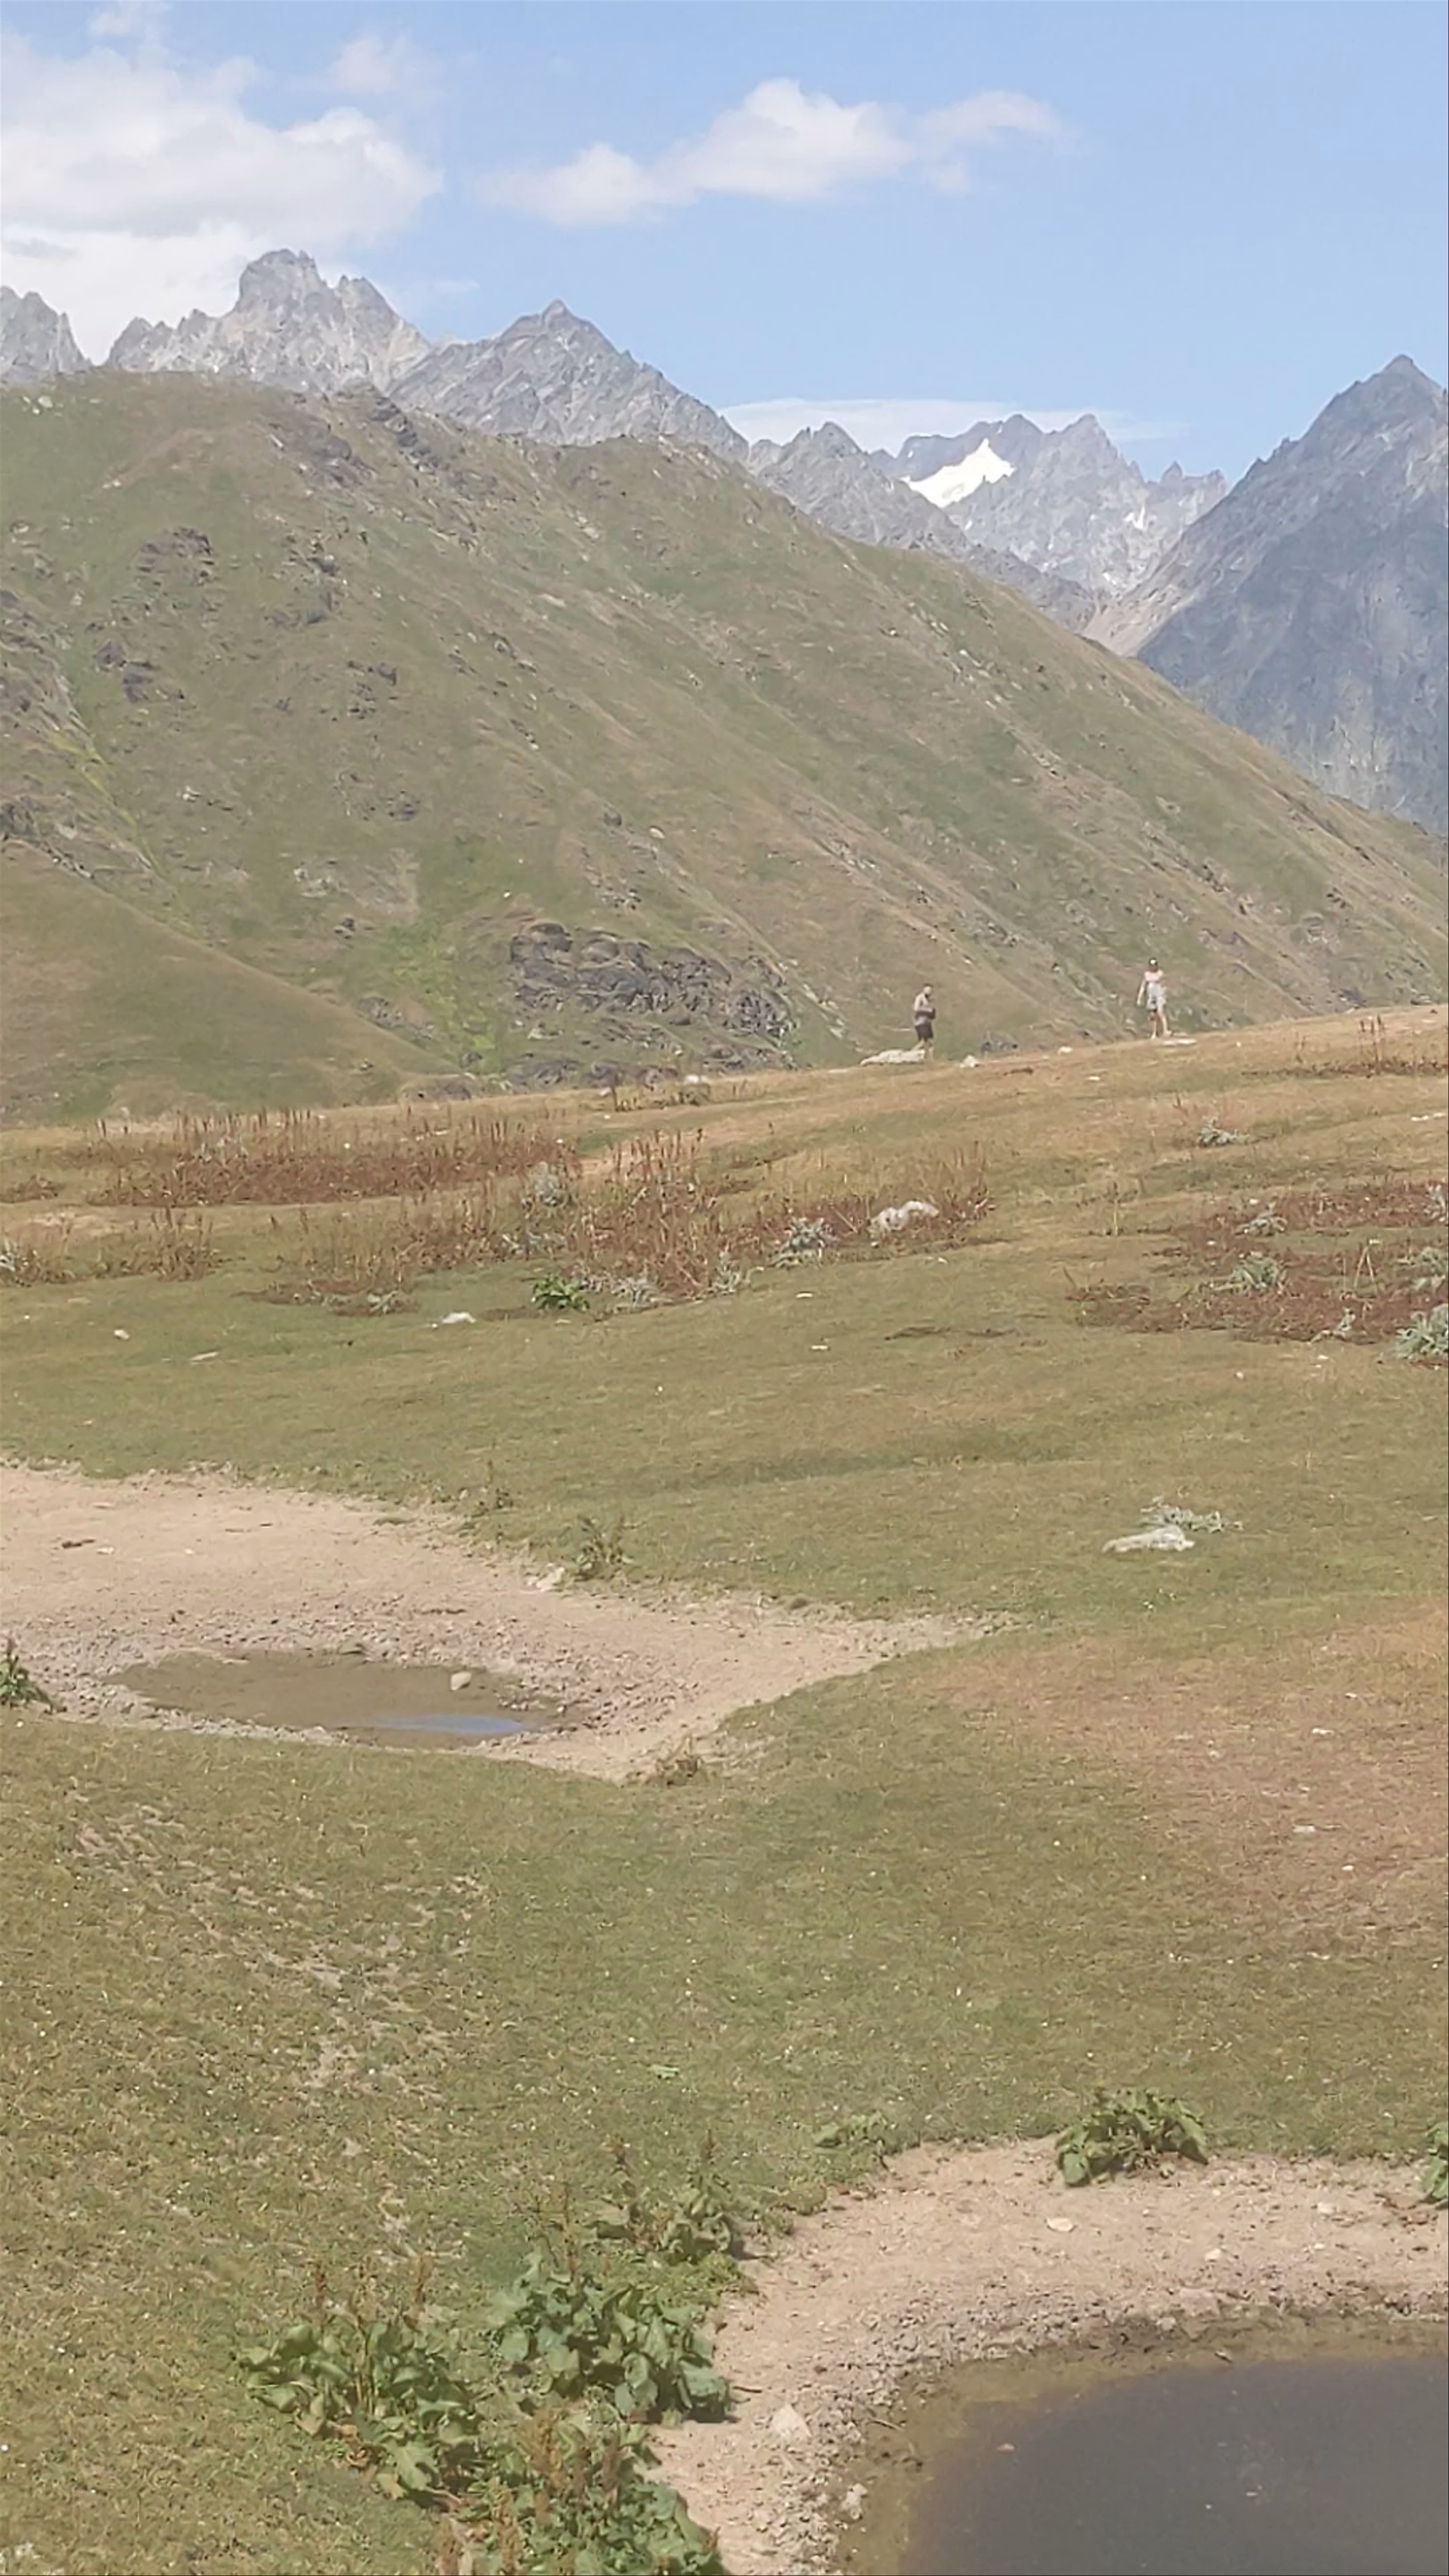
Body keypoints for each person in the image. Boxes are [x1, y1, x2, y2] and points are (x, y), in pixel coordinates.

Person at [1136, 959, 1170, 1039]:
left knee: (1160, 1013)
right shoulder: (1147, 975)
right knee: (1152, 1015)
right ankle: (1154, 1033)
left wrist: (1164, 994)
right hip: (1151, 996)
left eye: (1155, 965)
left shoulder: (1160, 974)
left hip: (1159, 995)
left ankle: (1165, 1031)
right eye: (1152, 966)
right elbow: (1143, 986)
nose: (1153, 967)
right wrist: (1140, 997)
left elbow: (1164, 984)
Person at [913, 985, 936, 1058]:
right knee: (923, 1042)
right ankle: (911, 1054)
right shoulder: (920, 998)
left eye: (930, 991)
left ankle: (931, 1059)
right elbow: (916, 1009)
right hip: (921, 1023)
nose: (929, 992)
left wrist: (932, 1015)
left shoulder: (929, 1000)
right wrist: (928, 1011)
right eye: (928, 990)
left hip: (928, 1023)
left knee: (931, 1042)